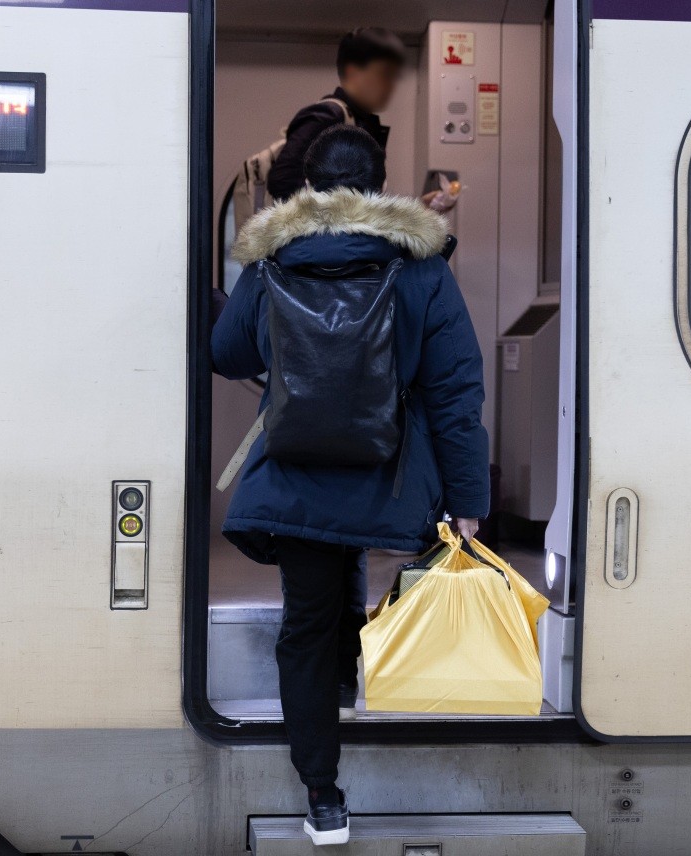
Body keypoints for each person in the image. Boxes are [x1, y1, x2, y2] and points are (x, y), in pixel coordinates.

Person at [211, 125, 489, 846]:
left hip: (295, 470)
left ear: (308, 185)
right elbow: (455, 393)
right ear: (379, 184)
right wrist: (469, 500)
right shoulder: (421, 267)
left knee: (307, 618)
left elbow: (227, 352)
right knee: (350, 562)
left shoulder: (270, 258)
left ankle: (322, 795)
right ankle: (345, 687)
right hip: (384, 472)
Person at [266, 27, 404, 203]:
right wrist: (332, 212)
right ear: (353, 73)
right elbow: (282, 181)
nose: (391, 85)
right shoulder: (328, 116)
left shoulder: (358, 120)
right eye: (384, 74)